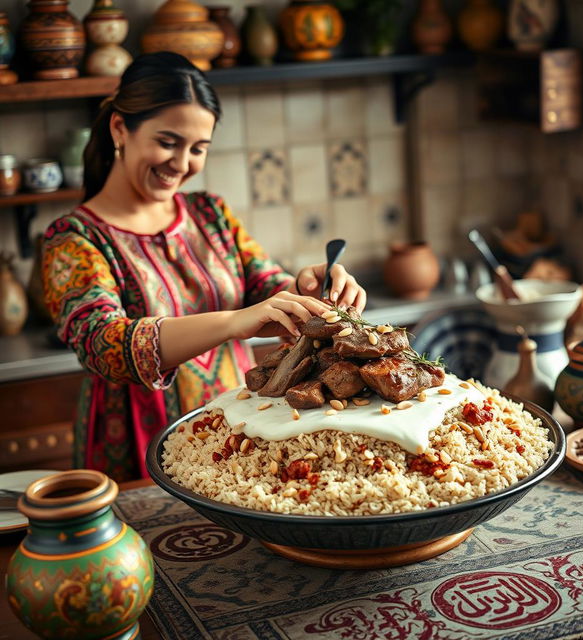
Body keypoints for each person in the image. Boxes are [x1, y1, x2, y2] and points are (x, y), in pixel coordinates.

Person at [42, 52, 366, 482]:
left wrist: (307, 287)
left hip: (234, 430)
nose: (181, 164)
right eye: (168, 142)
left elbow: (264, 284)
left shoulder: (210, 213)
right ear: (120, 128)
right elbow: (103, 344)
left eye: (198, 149)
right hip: (135, 446)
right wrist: (235, 323)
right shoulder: (74, 238)